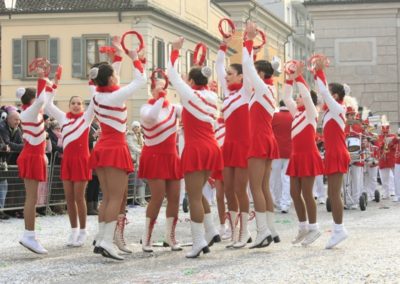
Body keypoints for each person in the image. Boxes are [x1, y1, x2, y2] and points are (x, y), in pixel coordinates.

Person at [89, 45, 146, 260]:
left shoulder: (97, 95)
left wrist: (118, 58)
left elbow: (112, 75)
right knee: (115, 198)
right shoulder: (113, 96)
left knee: (107, 198)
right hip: (114, 147)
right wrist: (135, 58)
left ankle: (102, 237)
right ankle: (105, 241)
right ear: (110, 79)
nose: (117, 76)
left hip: (103, 147)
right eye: (114, 74)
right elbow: (140, 81)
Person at [167, 37, 223, 258]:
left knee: (193, 196)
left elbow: (172, 76)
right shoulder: (211, 96)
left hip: (196, 147)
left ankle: (198, 242)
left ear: (190, 81)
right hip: (211, 146)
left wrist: (175, 52)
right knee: (199, 193)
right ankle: (211, 232)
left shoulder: (190, 96)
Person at [45, 75, 96, 247]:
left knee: (79, 197)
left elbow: (95, 102)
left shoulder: (86, 118)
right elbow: (48, 104)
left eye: (79, 103)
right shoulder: (63, 118)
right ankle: (73, 230)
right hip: (67, 161)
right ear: (69, 105)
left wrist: (92, 83)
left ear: (83, 106)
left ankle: (83, 230)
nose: (75, 105)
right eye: (73, 103)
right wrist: (54, 85)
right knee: (69, 198)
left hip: (82, 161)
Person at [242, 22, 280, 248]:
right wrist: (253, 48)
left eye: (257, 72)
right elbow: (248, 71)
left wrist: (248, 39)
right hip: (267, 138)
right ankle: (271, 229)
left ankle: (262, 231)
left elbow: (246, 67)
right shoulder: (268, 89)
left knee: (255, 187)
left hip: (259, 139)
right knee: (264, 186)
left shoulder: (263, 88)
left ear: (262, 73)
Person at [139, 72, 183, 253]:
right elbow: (151, 118)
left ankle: (170, 236)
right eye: (158, 86)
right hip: (154, 156)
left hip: (172, 156)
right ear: (151, 89)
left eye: (164, 86)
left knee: (174, 199)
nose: (162, 89)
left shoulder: (174, 108)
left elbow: (190, 108)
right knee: (157, 197)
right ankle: (147, 237)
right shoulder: (145, 108)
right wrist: (159, 99)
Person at [215, 34, 251, 248]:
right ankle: (235, 230)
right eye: (227, 74)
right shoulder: (228, 93)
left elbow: (248, 64)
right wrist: (223, 45)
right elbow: (219, 65)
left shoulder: (246, 92)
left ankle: (245, 232)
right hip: (228, 145)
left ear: (241, 77)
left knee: (240, 189)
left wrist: (248, 44)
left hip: (243, 145)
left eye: (231, 74)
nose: (226, 76)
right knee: (228, 190)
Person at [283, 63, 324, 246]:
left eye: (299, 97)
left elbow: (307, 96)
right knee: (294, 193)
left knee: (307, 193)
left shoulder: (311, 114)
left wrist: (299, 78)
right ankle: (302, 227)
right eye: (297, 96)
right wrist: (288, 77)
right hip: (296, 156)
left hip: (308, 155)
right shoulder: (296, 114)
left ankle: (314, 228)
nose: (297, 98)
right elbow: (285, 97)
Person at [314, 58, 350, 249]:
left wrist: (319, 72)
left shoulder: (338, 108)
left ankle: (339, 229)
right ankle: (338, 229)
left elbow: (323, 93)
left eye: (330, 94)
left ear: (335, 96)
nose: (325, 97)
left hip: (337, 153)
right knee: (333, 193)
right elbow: (322, 95)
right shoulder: (330, 112)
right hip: (333, 152)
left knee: (334, 194)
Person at [17, 70, 50, 254]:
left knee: (33, 197)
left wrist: (52, 80)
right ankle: (28, 235)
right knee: (31, 198)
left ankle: (30, 234)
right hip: (31, 156)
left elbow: (45, 98)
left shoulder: (34, 112)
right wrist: (42, 77)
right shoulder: (29, 112)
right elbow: (42, 99)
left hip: (34, 156)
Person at [271, 101, 293, 213]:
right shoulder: (293, 116)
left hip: (276, 151)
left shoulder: (274, 116)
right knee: (286, 178)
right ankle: (286, 203)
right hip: (290, 151)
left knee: (275, 178)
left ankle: (277, 201)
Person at [126, 120, 147, 206]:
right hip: (134, 158)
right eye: (135, 127)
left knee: (142, 180)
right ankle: (138, 198)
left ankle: (142, 198)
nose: (136, 128)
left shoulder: (140, 135)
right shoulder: (129, 135)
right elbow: (131, 146)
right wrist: (141, 151)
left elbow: (143, 144)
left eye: (138, 127)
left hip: (141, 158)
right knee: (137, 180)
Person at [377, 124, 396, 199]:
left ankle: (395, 192)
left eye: (386, 132)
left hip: (391, 158)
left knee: (396, 177)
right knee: (384, 178)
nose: (385, 134)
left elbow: (396, 146)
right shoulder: (379, 137)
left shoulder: (394, 136)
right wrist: (382, 143)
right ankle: (386, 193)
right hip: (383, 159)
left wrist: (390, 143)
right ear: (381, 131)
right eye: (384, 132)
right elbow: (378, 147)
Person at [87, 119, 101, 215]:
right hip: (90, 157)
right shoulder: (88, 128)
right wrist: (95, 135)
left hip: (98, 157)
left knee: (97, 184)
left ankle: (95, 206)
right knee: (92, 184)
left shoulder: (96, 128)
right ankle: (90, 207)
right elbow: (86, 142)